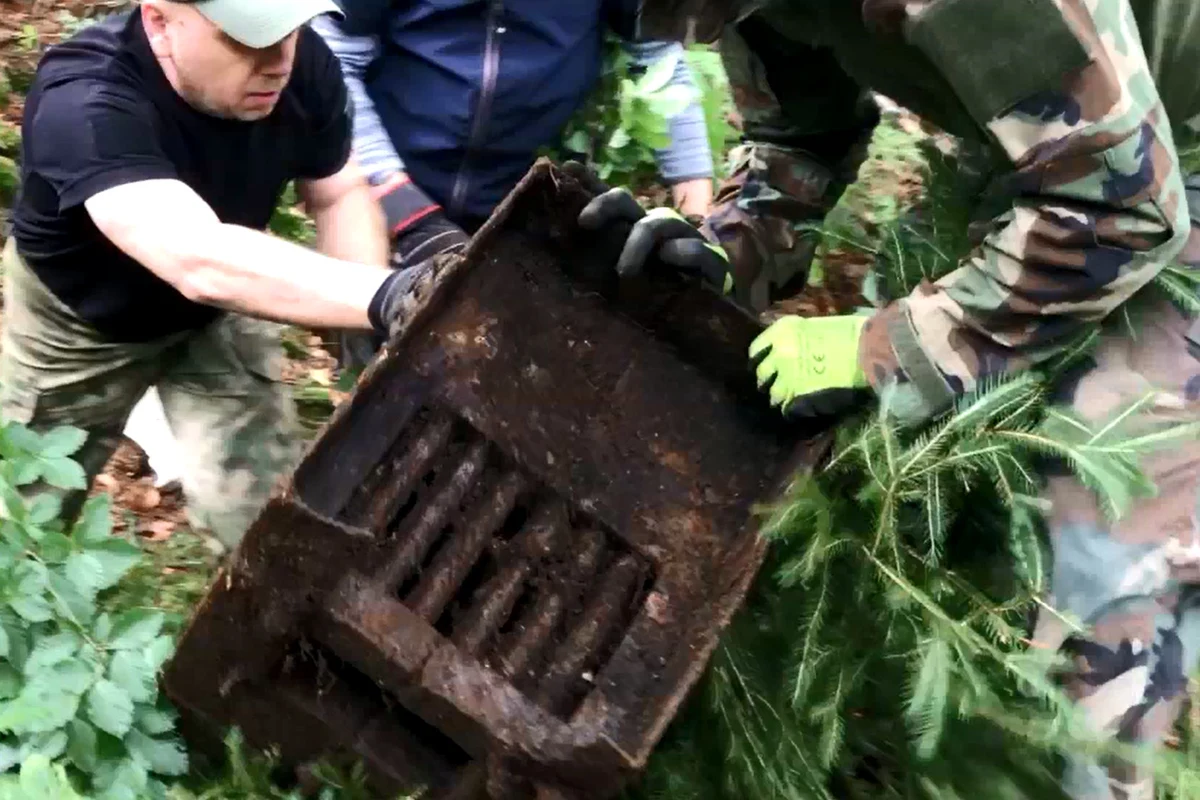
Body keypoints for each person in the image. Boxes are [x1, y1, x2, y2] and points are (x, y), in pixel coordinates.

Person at [580, 1, 1200, 798]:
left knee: (1103, 548)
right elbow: (800, 136)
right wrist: (727, 248)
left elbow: (1123, 208)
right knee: (897, 482)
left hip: (1164, 158)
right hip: (1054, 158)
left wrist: (886, 349)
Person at [2, 0, 441, 552]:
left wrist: (363, 324)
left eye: (291, 32)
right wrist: (387, 295)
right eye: (246, 40)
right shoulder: (85, 97)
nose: (278, 61)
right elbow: (195, 256)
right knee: (24, 519)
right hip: (78, 327)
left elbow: (337, 191)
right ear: (160, 21)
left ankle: (278, 617)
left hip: (220, 308)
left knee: (262, 507)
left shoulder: (302, 66)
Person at [307, 1, 718, 370]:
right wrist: (402, 211)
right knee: (384, 372)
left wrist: (697, 220)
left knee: (505, 372)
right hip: (380, 191)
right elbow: (333, 52)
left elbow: (657, 57)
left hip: (522, 205)